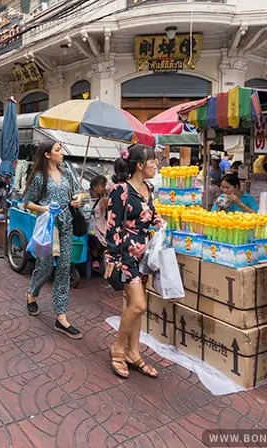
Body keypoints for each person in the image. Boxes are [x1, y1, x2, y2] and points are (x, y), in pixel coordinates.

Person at [105, 144, 163, 379]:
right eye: (152, 161)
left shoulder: (148, 188)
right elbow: (113, 226)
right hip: (126, 256)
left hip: (144, 256)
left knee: (134, 307)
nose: (156, 164)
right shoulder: (121, 191)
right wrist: (113, 258)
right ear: (140, 165)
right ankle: (118, 350)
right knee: (139, 305)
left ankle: (134, 352)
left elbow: (151, 214)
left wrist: (160, 222)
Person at [23, 140, 83, 339]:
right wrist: (44, 208)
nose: (62, 153)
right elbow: (27, 202)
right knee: (46, 267)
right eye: (58, 150)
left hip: (67, 225)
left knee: (64, 267)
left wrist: (78, 199)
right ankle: (32, 293)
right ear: (48, 154)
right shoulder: (40, 178)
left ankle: (61, 316)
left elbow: (79, 191)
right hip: (49, 228)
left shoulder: (67, 172)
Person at [87, 174, 109, 269]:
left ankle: (102, 257)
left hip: (101, 222)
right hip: (89, 223)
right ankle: (95, 258)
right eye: (102, 185)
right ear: (95, 186)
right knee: (93, 237)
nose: (104, 188)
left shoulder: (105, 196)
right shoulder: (86, 196)